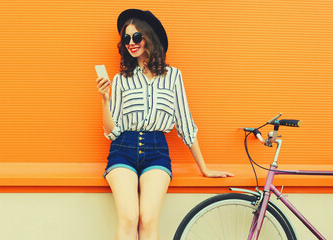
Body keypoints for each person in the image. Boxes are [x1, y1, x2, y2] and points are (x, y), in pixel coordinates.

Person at [95, 9, 235, 240]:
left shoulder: (173, 76)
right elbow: (112, 131)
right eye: (127, 39)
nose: (131, 43)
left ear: (149, 37)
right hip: (123, 149)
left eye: (137, 37)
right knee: (129, 217)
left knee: (148, 220)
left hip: (156, 151)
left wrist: (205, 168)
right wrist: (104, 99)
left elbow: (185, 124)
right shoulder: (121, 79)